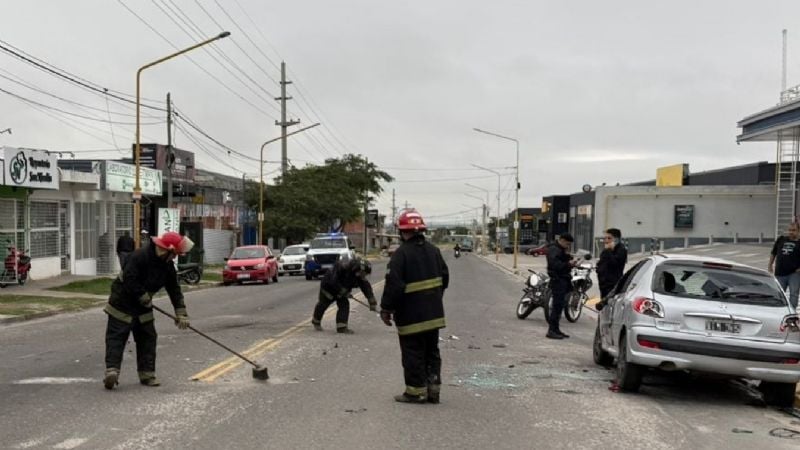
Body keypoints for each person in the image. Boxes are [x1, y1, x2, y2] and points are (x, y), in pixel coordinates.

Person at [102, 231, 194, 390]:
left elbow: (174, 289)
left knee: (148, 338)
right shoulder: (140, 256)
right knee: (117, 338)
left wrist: (181, 312)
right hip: (122, 302)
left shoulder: (167, 267)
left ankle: (147, 374)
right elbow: (130, 278)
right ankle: (112, 371)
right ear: (168, 251)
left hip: (143, 306)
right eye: (174, 255)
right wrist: (141, 295)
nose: (174, 258)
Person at [380, 210, 449, 404]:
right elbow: (444, 277)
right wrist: (434, 299)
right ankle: (433, 390)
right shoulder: (434, 251)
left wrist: (386, 310)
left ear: (402, 232)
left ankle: (415, 392)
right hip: (434, 314)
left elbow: (394, 285)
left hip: (411, 317)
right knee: (432, 352)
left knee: (413, 354)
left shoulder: (401, 255)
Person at [311, 256, 377, 334]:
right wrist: (344, 291)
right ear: (358, 269)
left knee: (344, 305)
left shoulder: (358, 275)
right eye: (363, 273)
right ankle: (316, 321)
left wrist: (371, 301)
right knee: (323, 304)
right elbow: (333, 281)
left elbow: (366, 287)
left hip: (343, 290)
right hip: (328, 287)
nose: (363, 275)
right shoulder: (342, 267)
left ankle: (341, 327)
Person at [546, 233, 576, 340]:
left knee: (560, 305)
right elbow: (554, 265)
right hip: (558, 280)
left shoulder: (560, 249)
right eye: (567, 244)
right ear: (562, 240)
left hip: (563, 279)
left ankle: (556, 329)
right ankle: (551, 330)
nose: (568, 246)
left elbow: (561, 260)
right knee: (557, 306)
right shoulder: (554, 249)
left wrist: (569, 258)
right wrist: (569, 264)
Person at [769, 222, 800, 310]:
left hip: (794, 274)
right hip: (780, 272)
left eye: (793, 230)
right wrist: (770, 265)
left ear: (798, 231)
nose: (791, 232)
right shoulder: (781, 239)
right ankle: (778, 311)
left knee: (794, 293)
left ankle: (792, 311)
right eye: (790, 230)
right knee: (778, 293)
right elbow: (773, 253)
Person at [595, 228, 628, 311]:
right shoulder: (606, 250)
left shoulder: (621, 250)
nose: (606, 240)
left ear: (616, 239)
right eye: (605, 238)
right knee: (603, 309)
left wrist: (609, 251)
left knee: (610, 307)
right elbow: (601, 263)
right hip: (603, 283)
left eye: (609, 238)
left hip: (613, 284)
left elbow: (615, 264)